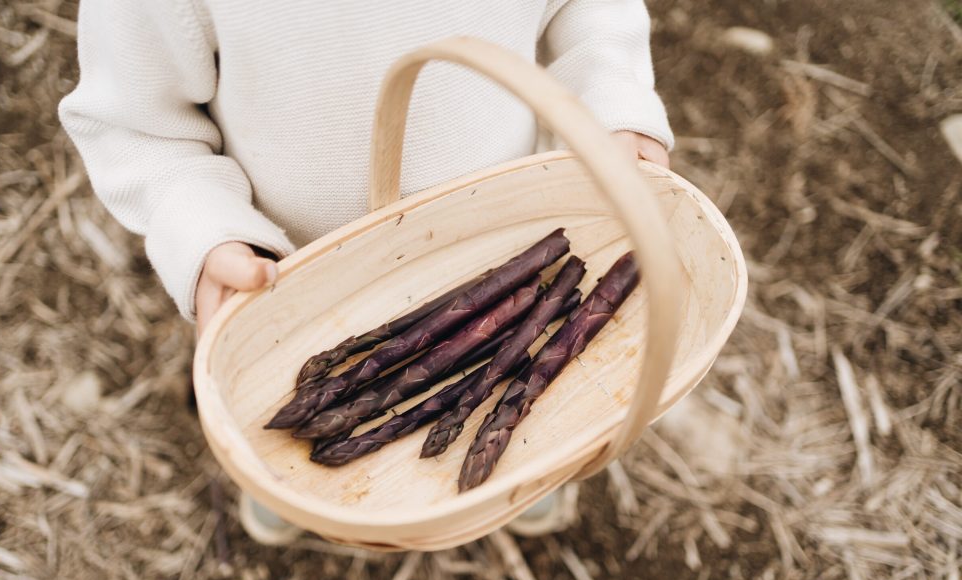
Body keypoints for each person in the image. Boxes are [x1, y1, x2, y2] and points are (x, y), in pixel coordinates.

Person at [60, 0, 673, 545]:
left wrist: (613, 103)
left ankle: (523, 478)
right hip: (293, 285)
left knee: (528, 403)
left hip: (504, 240)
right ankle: (285, 488)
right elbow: (136, 125)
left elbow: (591, 11)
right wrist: (204, 229)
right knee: (284, 424)